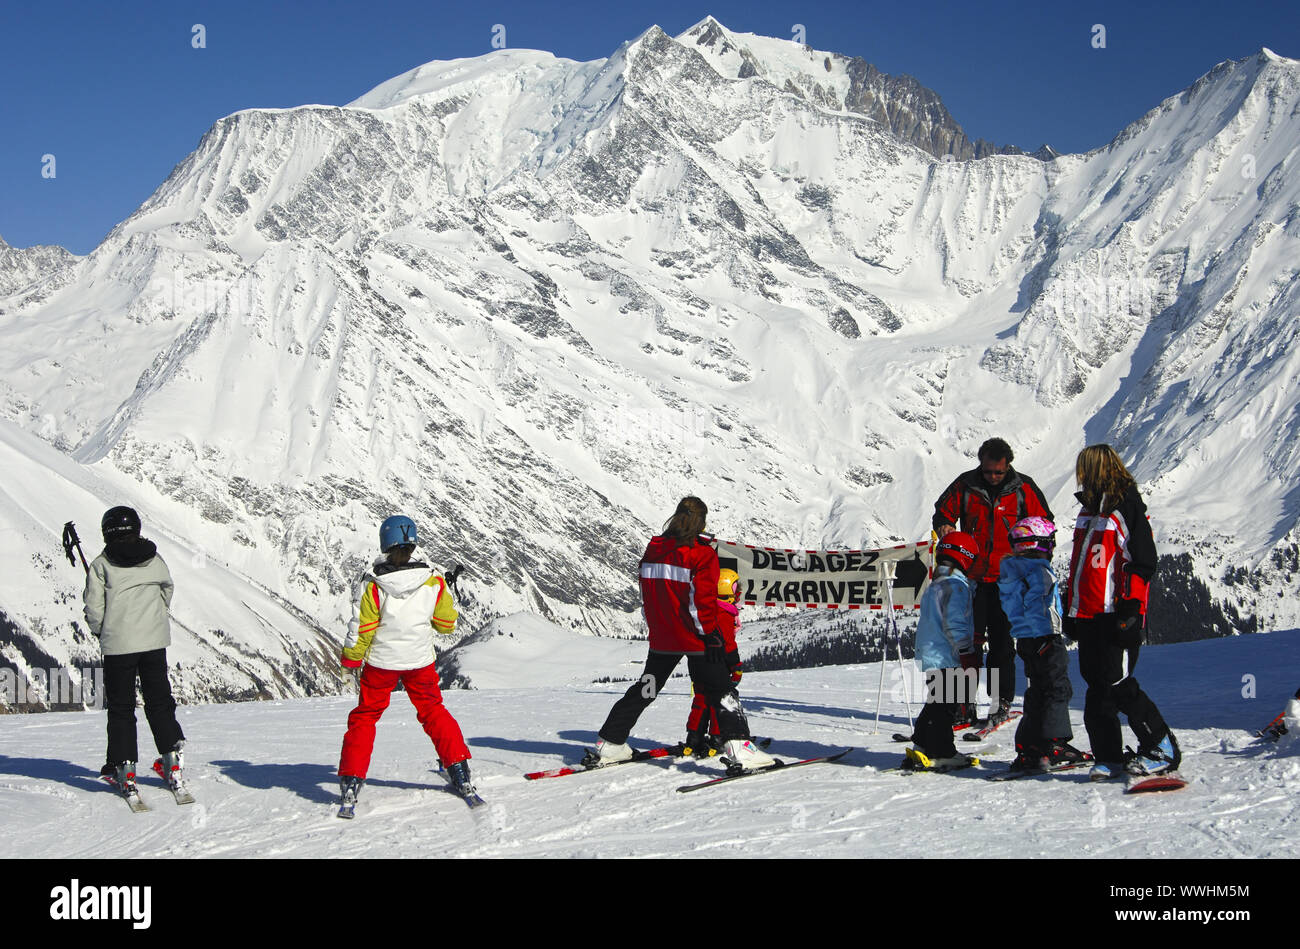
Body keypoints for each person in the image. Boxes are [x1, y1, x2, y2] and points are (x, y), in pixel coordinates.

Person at [592, 497, 773, 771]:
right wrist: (710, 634)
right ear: (702, 522)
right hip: (697, 639)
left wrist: (658, 629)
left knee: (647, 688)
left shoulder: (654, 550)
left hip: (663, 640)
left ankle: (610, 742)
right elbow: (700, 601)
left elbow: (647, 596)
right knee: (720, 689)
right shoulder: (701, 554)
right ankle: (740, 748)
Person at [338, 515, 473, 810]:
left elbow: (362, 630)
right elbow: (446, 624)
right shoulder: (433, 580)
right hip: (420, 661)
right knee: (433, 711)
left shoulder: (374, 585)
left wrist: (350, 662)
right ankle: (459, 770)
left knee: (365, 716)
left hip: (381, 664)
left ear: (385, 545)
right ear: (413, 545)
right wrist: (445, 592)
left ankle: (351, 779)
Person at [1063, 445, 1180, 780]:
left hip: (1116, 614)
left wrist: (1130, 608)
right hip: (1087, 614)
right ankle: (1108, 755)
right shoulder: (1088, 511)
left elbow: (1143, 562)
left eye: (1085, 470)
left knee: (1119, 683)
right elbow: (1081, 566)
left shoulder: (1125, 508)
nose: (1081, 477)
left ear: (1099, 470)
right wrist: (1072, 609)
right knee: (1097, 686)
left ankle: (1161, 746)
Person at [933, 437, 1054, 726]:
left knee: (1002, 646)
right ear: (981, 464)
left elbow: (1045, 525)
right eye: (988, 471)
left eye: (998, 472)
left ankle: (1000, 703)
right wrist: (945, 527)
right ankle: (960, 704)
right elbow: (942, 512)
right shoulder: (965, 485)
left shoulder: (1024, 488)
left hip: (1007, 580)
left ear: (1008, 465)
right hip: (970, 578)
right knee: (963, 645)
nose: (993, 477)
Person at [83, 506, 187, 796]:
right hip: (154, 642)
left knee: (121, 707)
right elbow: (167, 589)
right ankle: (171, 761)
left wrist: (101, 629)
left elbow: (94, 608)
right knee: (159, 701)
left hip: (119, 645)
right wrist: (155, 616)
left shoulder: (101, 565)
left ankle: (124, 768)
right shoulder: (154, 559)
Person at [998, 516, 1087, 770]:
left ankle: (1030, 746)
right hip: (1045, 635)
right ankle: (1054, 744)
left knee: (1037, 690)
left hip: (1025, 639)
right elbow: (1043, 603)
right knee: (1057, 687)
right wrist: (1055, 628)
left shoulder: (1010, 570)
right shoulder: (1038, 570)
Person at [904, 531, 981, 771]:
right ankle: (942, 751)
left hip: (932, 654)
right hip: (948, 656)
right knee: (946, 706)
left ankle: (923, 744)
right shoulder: (956, 586)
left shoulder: (936, 584)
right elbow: (954, 623)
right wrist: (967, 651)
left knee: (936, 702)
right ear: (966, 557)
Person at [681, 567, 744, 757]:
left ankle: (694, 737)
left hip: (697, 662)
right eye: (736, 589)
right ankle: (718, 737)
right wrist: (736, 666)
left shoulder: (703, 608)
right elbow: (728, 643)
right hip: (716, 663)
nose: (738, 593)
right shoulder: (724, 613)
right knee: (722, 698)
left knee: (701, 699)